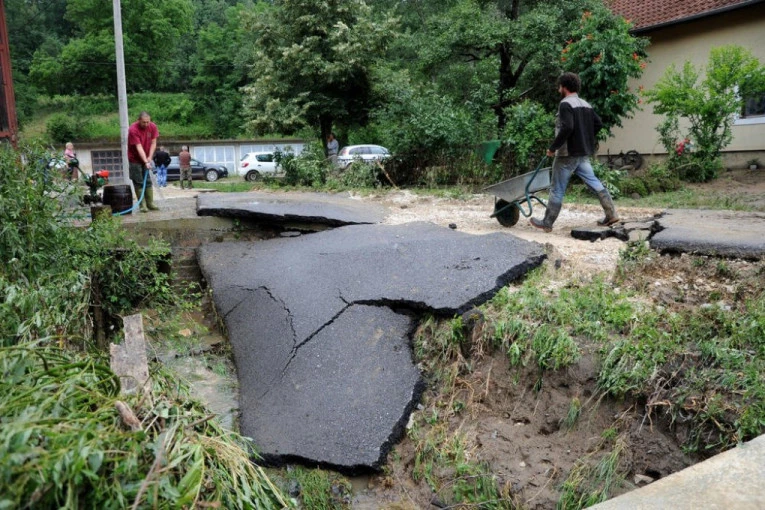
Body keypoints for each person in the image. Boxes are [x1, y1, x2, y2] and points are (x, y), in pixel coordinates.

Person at [530, 72, 618, 232]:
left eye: (559, 87)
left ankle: (547, 222)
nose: (558, 90)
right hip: (582, 153)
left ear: (564, 87)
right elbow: (598, 124)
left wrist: (553, 148)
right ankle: (611, 214)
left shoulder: (565, 104)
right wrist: (584, 138)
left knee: (557, 188)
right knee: (594, 182)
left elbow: (568, 127)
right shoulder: (586, 104)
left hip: (567, 154)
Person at [127, 111, 159, 212]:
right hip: (135, 159)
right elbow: (138, 147)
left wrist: (150, 157)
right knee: (139, 182)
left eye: (148, 122)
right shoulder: (133, 129)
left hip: (147, 158)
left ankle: (150, 203)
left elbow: (153, 143)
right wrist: (145, 161)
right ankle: (142, 205)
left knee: (148, 181)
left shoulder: (152, 127)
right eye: (144, 122)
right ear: (139, 120)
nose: (146, 124)